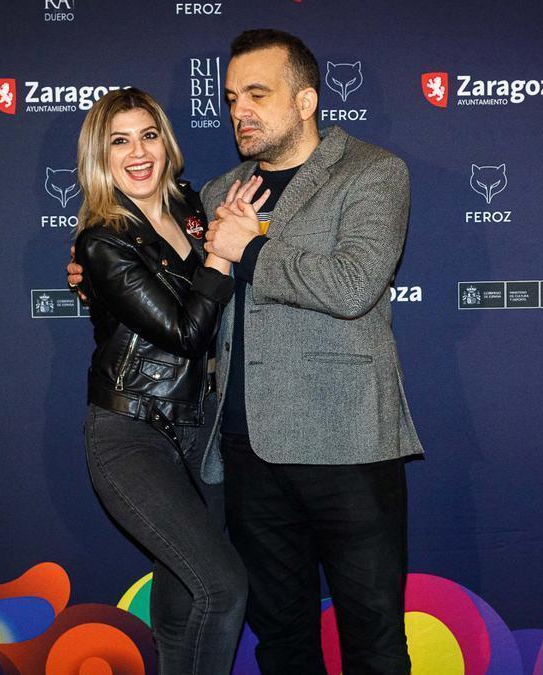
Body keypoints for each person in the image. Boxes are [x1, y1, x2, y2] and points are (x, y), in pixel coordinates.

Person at [68, 30, 423, 673]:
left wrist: (249, 248)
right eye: (232, 98)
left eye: (257, 94)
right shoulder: (218, 192)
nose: (239, 111)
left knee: (373, 638)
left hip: (347, 444)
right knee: (282, 638)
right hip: (245, 453)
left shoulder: (373, 172)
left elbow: (353, 285)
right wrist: (96, 273)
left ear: (307, 99)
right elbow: (172, 276)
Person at [71, 88, 268, 674]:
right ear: (99, 157)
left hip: (197, 435)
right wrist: (221, 257)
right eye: (120, 141)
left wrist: (223, 241)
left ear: (167, 141)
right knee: (224, 585)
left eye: (148, 135)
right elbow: (185, 332)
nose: (138, 152)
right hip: (130, 434)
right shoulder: (102, 241)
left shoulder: (191, 206)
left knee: (184, 607)